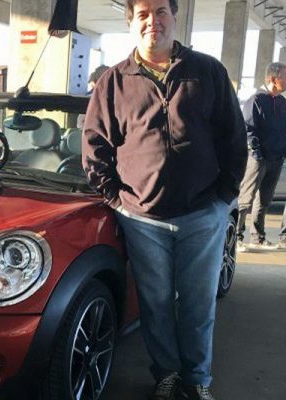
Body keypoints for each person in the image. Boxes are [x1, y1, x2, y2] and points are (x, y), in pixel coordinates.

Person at [82, 0, 247, 399]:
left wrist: (223, 197)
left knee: (198, 304)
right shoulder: (113, 82)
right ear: (132, 23)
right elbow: (95, 145)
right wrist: (116, 199)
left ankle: (197, 379)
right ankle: (167, 375)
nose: (152, 21)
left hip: (202, 213)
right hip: (142, 219)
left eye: (160, 12)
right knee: (154, 303)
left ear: (174, 17)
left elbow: (234, 136)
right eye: (143, 14)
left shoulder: (207, 71)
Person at [235, 62, 286, 252]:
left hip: (276, 159)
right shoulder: (255, 100)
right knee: (246, 199)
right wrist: (257, 154)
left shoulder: (282, 103)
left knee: (264, 200)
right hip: (258, 159)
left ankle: (258, 237)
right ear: (273, 79)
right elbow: (248, 129)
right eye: (285, 77)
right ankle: (236, 237)